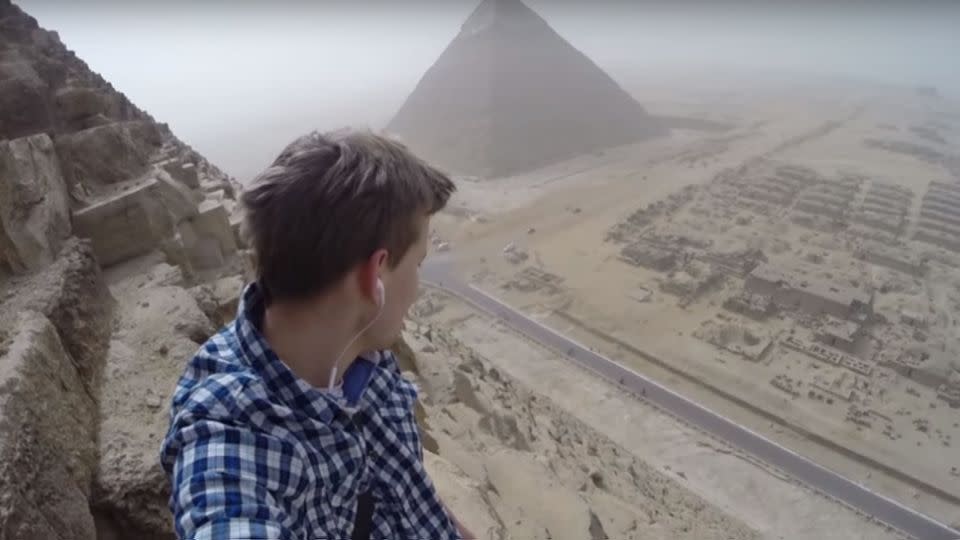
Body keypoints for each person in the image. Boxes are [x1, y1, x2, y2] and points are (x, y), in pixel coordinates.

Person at [160, 129, 474, 539]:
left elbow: (409, 490)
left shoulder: (360, 352)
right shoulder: (230, 446)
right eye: (416, 266)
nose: (416, 289)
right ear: (374, 276)